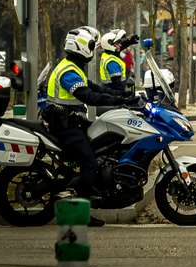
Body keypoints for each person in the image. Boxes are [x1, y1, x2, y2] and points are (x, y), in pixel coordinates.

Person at [44, 27, 137, 227]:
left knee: (103, 143)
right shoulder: (68, 71)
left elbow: (95, 88)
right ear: (81, 48)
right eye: (91, 46)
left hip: (71, 121)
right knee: (90, 163)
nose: (93, 50)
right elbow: (89, 97)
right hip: (65, 127)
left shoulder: (72, 67)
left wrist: (122, 97)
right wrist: (116, 101)